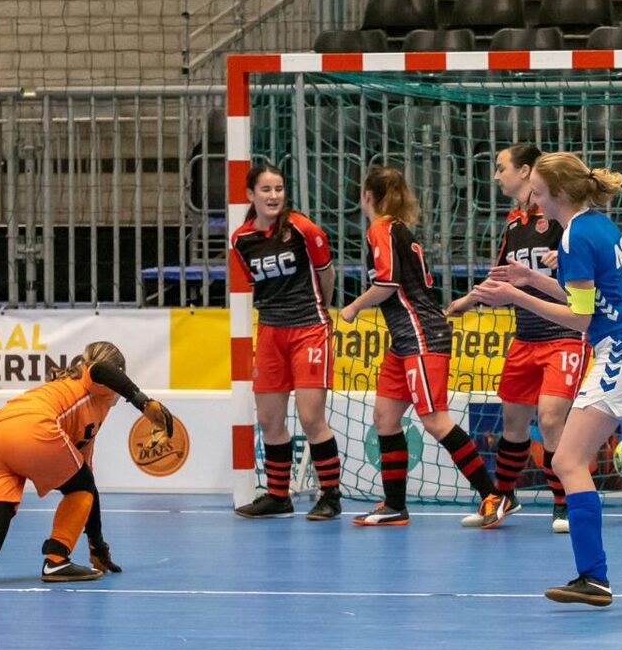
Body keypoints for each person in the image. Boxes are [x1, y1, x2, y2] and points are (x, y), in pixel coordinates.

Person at [474, 153, 622, 606]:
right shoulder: (597, 225)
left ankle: (593, 577)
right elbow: (584, 297)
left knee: (568, 461)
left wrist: (514, 294)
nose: (534, 199)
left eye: (538, 191)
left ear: (558, 193)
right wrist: (532, 278)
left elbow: (580, 318)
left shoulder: (574, 236)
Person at [0, 341, 174, 590]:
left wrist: (97, 546)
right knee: (82, 486)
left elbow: (87, 489)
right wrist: (143, 403)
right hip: (33, 428)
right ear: (118, 377)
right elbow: (100, 369)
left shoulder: (82, 414)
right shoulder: (90, 381)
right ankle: (56, 560)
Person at [338, 165, 502, 528]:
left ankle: (493, 494)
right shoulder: (397, 228)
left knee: (435, 420)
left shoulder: (381, 229)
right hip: (405, 338)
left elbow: (387, 283)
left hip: (420, 335)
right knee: (384, 417)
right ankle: (395, 505)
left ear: (366, 196)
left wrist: (353, 307)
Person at [446, 144, 588, 532]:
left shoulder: (559, 214)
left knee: (551, 419)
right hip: (525, 337)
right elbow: (501, 274)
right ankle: (503, 496)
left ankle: (565, 504)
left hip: (564, 333)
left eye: (500, 167)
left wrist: (567, 256)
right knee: (512, 421)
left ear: (525, 171)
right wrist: (468, 300)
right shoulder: (513, 223)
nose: (496, 176)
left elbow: (589, 247)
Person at [230, 163, 343, 520]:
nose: (273, 195)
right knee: (269, 419)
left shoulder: (303, 229)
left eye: (278, 188)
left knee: (311, 417)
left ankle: (331, 495)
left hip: (309, 328)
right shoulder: (241, 240)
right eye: (266, 189)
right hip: (270, 331)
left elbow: (326, 274)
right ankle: (278, 496)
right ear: (251, 195)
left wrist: (321, 312)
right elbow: (257, 285)